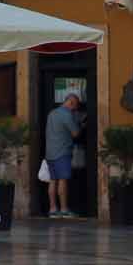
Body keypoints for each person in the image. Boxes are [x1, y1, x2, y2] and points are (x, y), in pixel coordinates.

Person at [44, 89, 85, 219]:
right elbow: (75, 133)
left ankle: (52, 209)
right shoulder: (67, 115)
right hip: (62, 152)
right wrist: (81, 125)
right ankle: (64, 209)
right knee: (63, 180)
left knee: (52, 181)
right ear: (71, 102)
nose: (75, 109)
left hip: (50, 152)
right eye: (75, 106)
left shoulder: (52, 113)